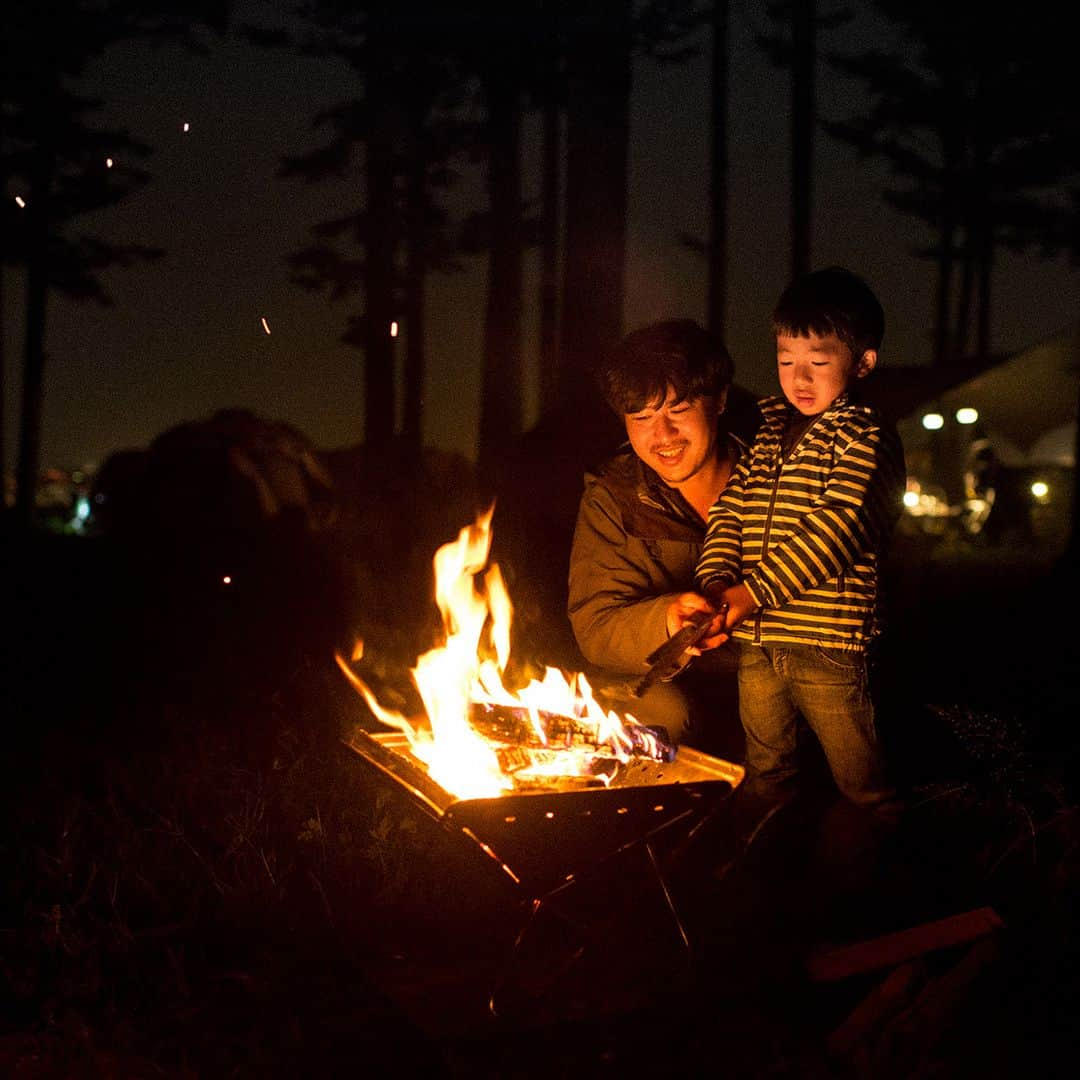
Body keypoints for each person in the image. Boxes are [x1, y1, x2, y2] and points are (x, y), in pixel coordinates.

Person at [695, 267, 906, 836]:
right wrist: (716, 581)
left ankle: (896, 875)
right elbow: (731, 510)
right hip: (758, 645)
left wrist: (753, 591)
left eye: (819, 360)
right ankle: (768, 866)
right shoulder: (768, 435)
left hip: (828, 642)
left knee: (861, 781)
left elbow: (837, 530)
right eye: (787, 360)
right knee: (766, 772)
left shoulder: (865, 436)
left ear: (862, 363)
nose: (799, 377)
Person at [567, 318, 759, 755]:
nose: (663, 436)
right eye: (642, 416)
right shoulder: (615, 498)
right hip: (673, 681)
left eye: (678, 409)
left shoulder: (775, 479)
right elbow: (596, 624)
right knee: (667, 712)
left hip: (773, 669)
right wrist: (666, 621)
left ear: (719, 399)